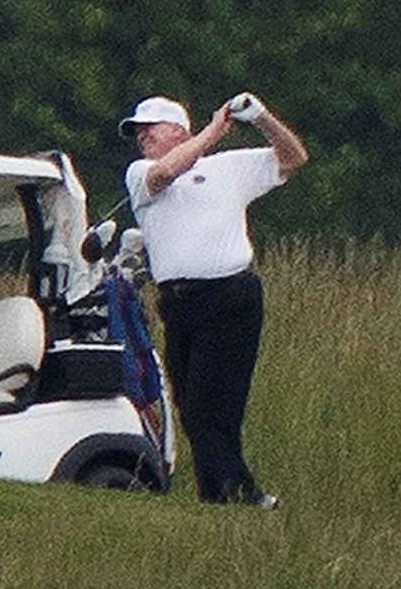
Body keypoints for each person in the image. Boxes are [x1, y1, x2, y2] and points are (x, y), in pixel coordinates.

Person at [118, 93, 309, 508]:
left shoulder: (228, 168)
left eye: (151, 127)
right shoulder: (140, 173)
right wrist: (214, 131)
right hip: (178, 303)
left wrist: (261, 117)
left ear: (178, 129)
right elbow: (165, 173)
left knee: (210, 408)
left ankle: (237, 496)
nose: (142, 136)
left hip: (228, 296)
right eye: (138, 130)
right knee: (192, 408)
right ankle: (223, 496)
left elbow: (293, 157)